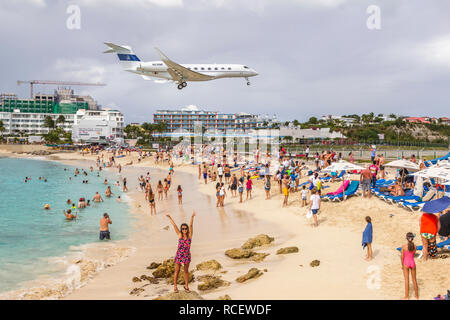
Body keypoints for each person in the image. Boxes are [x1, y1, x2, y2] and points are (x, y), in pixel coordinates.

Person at [165, 211, 195, 293]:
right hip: (179, 255)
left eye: (186, 228)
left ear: (187, 229)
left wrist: (192, 217)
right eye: (183, 228)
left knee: (186, 271)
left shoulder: (189, 236)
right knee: (177, 271)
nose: (184, 230)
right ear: (181, 229)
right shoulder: (180, 235)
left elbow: (191, 225)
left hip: (187, 256)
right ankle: (175, 286)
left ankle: (186, 286)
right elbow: (174, 225)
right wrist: (170, 217)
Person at [400, 232, 419, 300]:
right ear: (412, 238)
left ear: (407, 238)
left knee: (406, 280)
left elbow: (402, 257)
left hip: (406, 263)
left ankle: (406, 297)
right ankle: (417, 296)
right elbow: (413, 254)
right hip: (412, 263)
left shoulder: (404, 246)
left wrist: (402, 265)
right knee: (414, 280)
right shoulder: (415, 246)